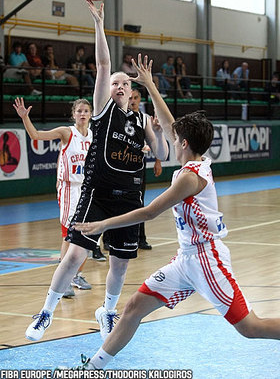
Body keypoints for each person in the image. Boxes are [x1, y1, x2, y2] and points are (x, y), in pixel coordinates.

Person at [71, 54, 280, 370]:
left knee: (250, 328)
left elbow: (149, 213)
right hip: (186, 259)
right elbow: (170, 124)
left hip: (207, 260)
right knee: (133, 308)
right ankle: (93, 368)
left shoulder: (188, 177)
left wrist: (102, 223)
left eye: (174, 137)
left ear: (182, 143)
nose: (170, 136)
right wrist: (151, 85)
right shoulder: (192, 160)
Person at [24, 0, 168, 343]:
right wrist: (99, 23)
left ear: (132, 91)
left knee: (120, 264)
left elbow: (163, 153)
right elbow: (103, 64)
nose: (118, 86)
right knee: (75, 254)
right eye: (114, 83)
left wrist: (159, 129)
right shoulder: (103, 113)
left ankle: (107, 310)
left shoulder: (142, 120)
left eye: (124, 84)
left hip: (130, 200)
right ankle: (46, 310)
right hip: (97, 194)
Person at [13, 97, 93, 299]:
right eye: (79, 111)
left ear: (91, 114)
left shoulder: (94, 135)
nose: (82, 114)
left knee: (85, 236)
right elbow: (36, 135)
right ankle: (62, 279)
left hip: (87, 189)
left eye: (86, 111)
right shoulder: (67, 132)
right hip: (69, 189)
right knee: (69, 234)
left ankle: (76, 275)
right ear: (73, 114)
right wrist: (25, 118)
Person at [128, 87, 162, 250]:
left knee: (139, 202)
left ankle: (141, 238)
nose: (132, 101)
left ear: (140, 100)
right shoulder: (120, 117)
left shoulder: (145, 119)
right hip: (121, 166)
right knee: (117, 202)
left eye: (135, 98)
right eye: (130, 98)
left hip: (138, 167)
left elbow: (153, 139)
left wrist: (158, 161)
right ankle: (109, 239)